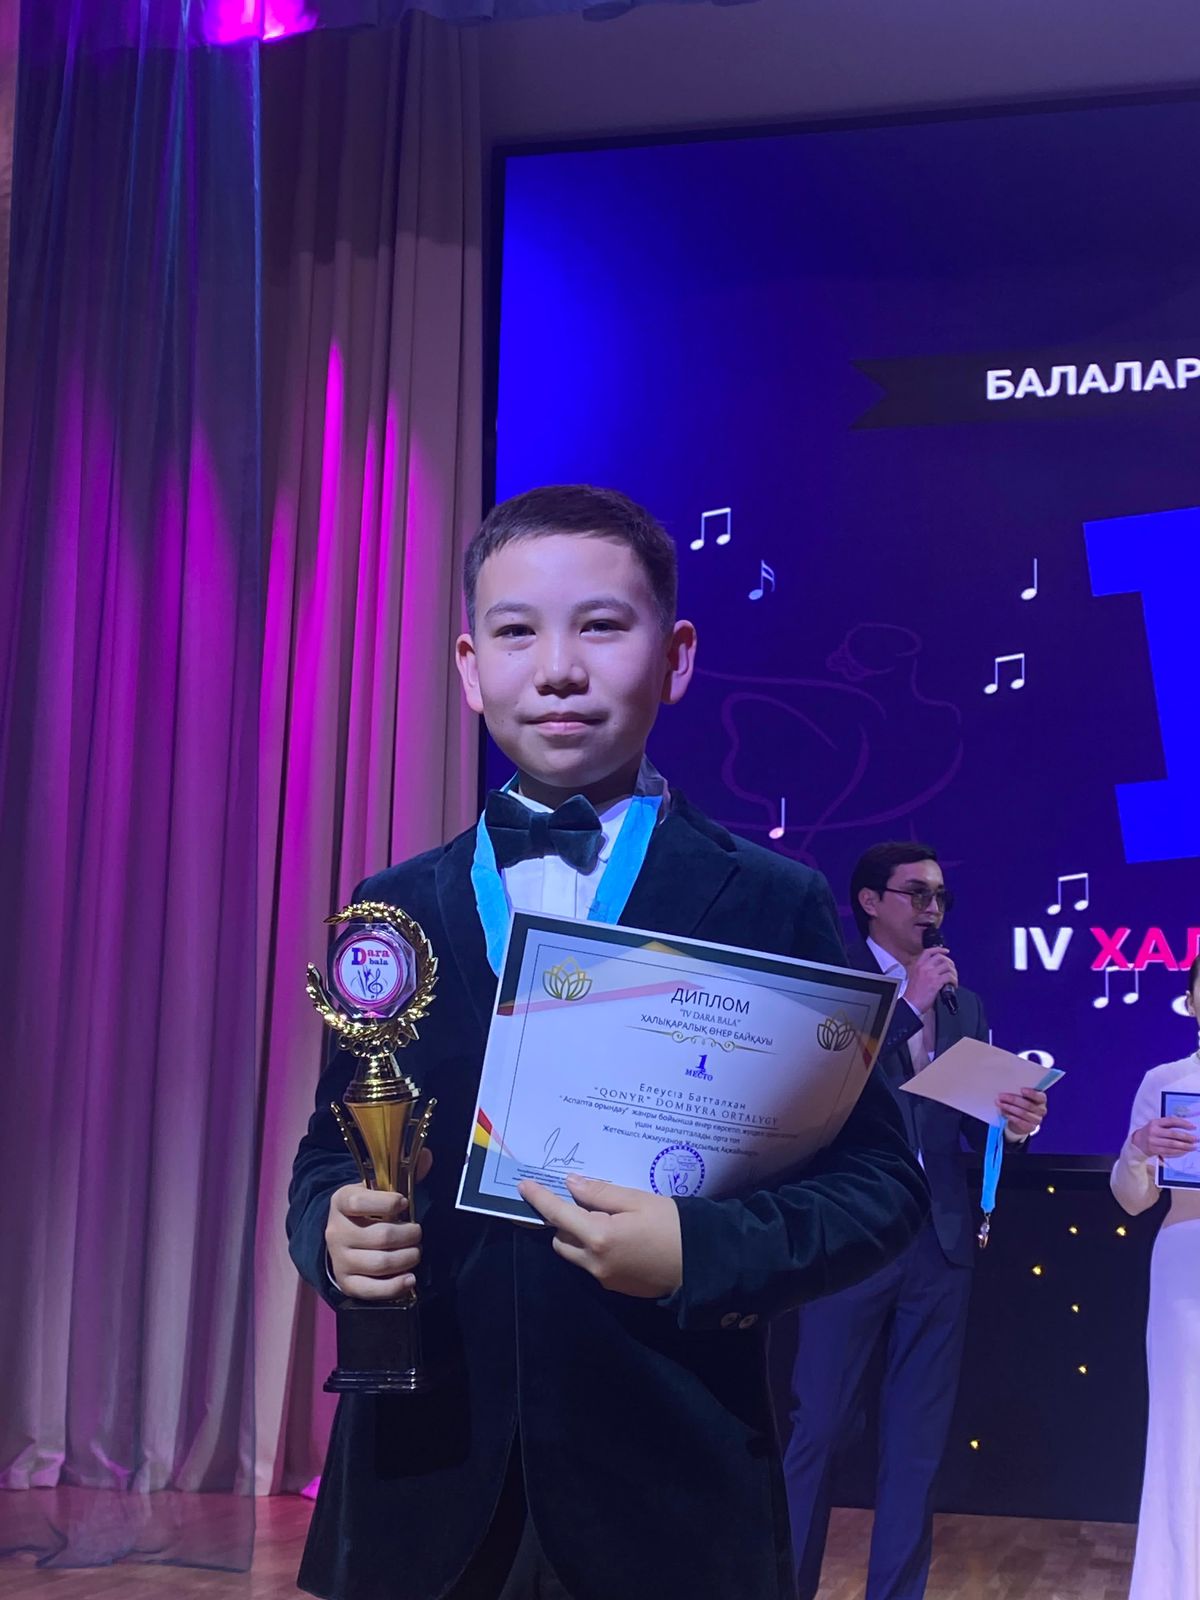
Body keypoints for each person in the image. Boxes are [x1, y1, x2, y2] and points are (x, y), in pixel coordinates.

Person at [287, 485, 928, 1600]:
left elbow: (880, 1186)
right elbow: (327, 1154)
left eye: (601, 626)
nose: (558, 669)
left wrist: (700, 1250)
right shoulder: (392, 906)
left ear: (675, 658)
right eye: (515, 631)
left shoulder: (766, 899)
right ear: (468, 666)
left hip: (670, 1497)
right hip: (417, 1494)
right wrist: (330, 1233)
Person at [783, 842, 1048, 1600]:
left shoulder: (965, 1005)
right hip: (850, 1236)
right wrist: (906, 1009)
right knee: (819, 1428)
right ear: (870, 901)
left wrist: (1014, 1121)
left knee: (917, 1444)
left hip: (939, 1241)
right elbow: (816, 1089)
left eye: (940, 897)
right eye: (917, 894)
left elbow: (968, 1124)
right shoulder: (834, 982)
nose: (933, 910)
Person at [1110, 952, 1200, 1600]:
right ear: (1191, 1001)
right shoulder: (1166, 1081)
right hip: (1184, 1264)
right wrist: (1140, 1148)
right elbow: (1131, 1198)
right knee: (1182, 1431)